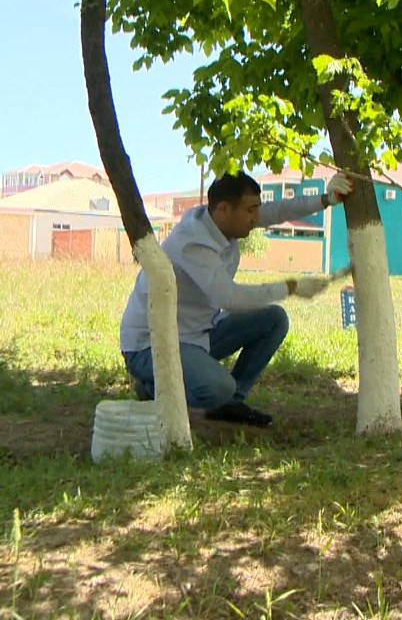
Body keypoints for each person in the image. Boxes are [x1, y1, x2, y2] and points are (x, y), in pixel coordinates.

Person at [120, 169, 353, 427]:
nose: (257, 218)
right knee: (217, 387)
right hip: (151, 344)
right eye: (251, 210)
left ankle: (229, 404)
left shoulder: (221, 222)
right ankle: (153, 388)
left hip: (198, 333)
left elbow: (278, 210)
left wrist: (325, 199)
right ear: (223, 209)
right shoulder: (192, 243)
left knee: (274, 319)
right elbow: (228, 298)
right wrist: (291, 287)